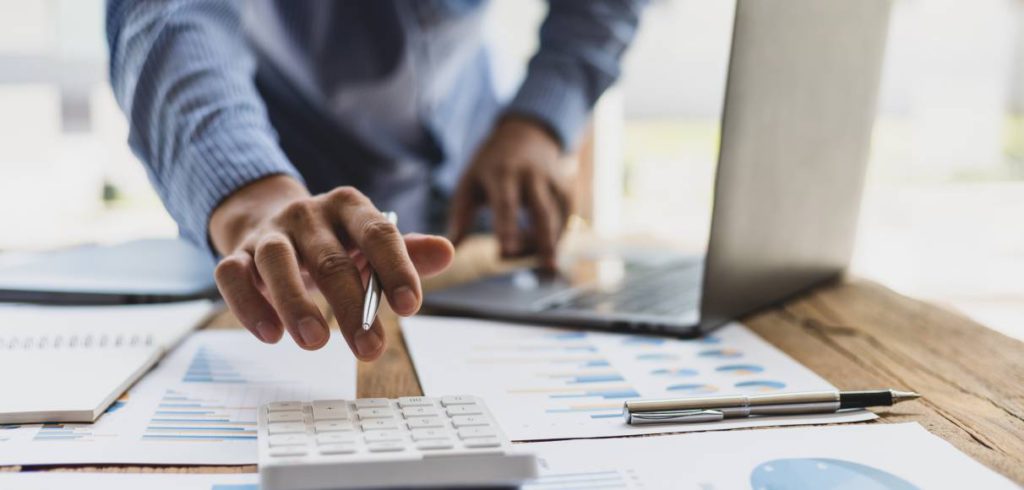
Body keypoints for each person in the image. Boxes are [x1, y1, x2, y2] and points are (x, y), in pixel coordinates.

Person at [106, 0, 645, 361]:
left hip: (476, 189)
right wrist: (250, 192)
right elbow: (169, 17)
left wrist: (540, 118)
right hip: (284, 222)